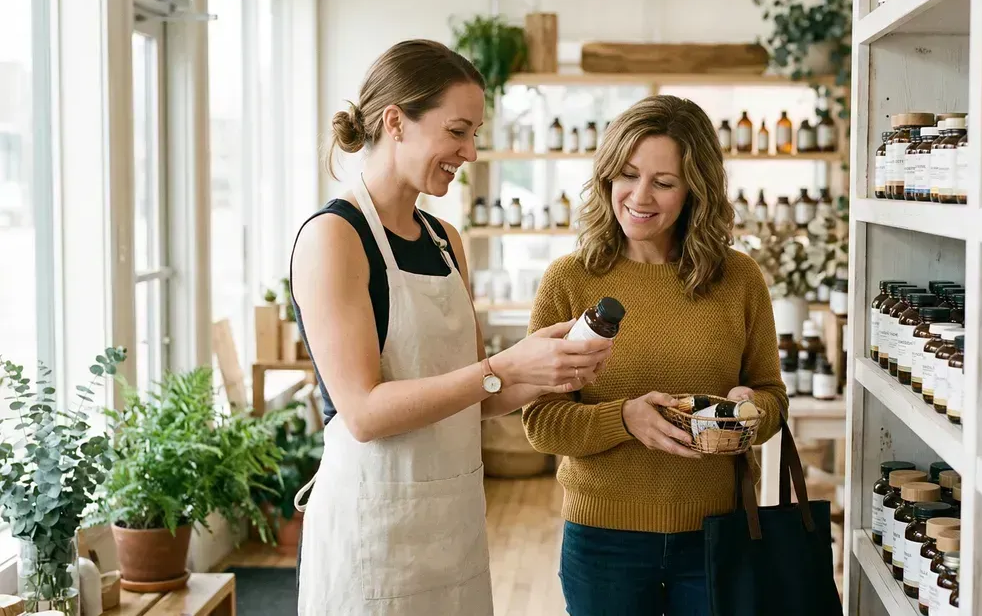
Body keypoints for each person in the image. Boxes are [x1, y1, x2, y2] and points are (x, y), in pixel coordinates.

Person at [289, 39, 613, 615]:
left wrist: (544, 370)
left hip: (452, 521)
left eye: (475, 134)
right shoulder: (334, 237)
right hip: (373, 531)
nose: (470, 151)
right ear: (396, 122)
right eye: (458, 131)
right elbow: (363, 413)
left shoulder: (445, 242)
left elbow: (475, 394)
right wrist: (502, 367)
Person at [522, 94, 788, 616]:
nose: (639, 196)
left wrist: (750, 412)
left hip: (719, 534)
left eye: (663, 182)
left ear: (696, 190)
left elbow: (771, 394)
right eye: (627, 174)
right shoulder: (569, 281)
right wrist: (624, 418)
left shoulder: (738, 280)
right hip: (604, 541)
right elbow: (542, 423)